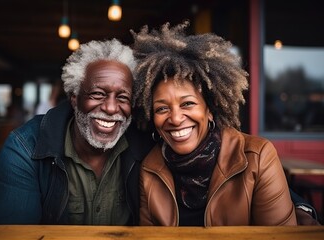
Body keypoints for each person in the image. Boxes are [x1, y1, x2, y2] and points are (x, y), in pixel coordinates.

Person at [131, 21, 318, 226]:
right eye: (162, 108)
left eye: (188, 103)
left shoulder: (258, 158)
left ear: (210, 109)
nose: (175, 118)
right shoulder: (150, 168)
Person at [0, 38, 153, 225]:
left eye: (123, 97)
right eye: (97, 94)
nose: (111, 108)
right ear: (74, 98)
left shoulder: (146, 147)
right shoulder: (25, 147)